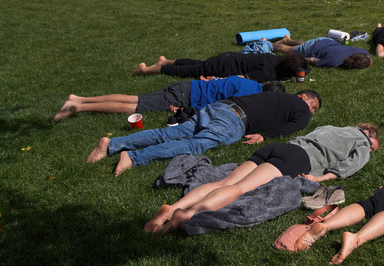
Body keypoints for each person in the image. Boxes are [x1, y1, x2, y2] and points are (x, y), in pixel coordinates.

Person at [143, 124, 380, 234]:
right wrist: (320, 177)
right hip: (299, 158)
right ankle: (187, 214)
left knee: (223, 183)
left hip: (280, 148)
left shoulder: (332, 127)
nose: (370, 150)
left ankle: (172, 207)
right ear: (368, 136)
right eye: (373, 146)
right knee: (239, 188)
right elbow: (350, 165)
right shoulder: (362, 143)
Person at [86, 90, 322, 176]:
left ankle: (112, 144)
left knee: (170, 134)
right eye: (313, 106)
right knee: (194, 145)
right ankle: (133, 157)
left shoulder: (276, 95)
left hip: (220, 107)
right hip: (235, 121)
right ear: (305, 98)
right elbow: (295, 126)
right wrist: (265, 136)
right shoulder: (301, 107)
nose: (311, 112)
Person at [53, 77, 281, 122]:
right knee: (134, 106)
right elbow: (217, 105)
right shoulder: (249, 94)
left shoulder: (248, 81)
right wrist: (187, 109)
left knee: (135, 97)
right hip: (185, 95)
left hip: (188, 85)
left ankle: (81, 99)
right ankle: (77, 107)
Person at [131, 52, 306, 83]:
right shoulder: (267, 73)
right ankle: (145, 70)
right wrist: (217, 80)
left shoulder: (276, 59)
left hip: (228, 57)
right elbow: (241, 78)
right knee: (192, 71)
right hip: (224, 66)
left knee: (199, 64)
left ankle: (165, 61)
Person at [272, 36, 371, 69]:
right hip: (311, 49)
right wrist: (299, 59)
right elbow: (311, 60)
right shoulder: (334, 62)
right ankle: (267, 45)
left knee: (304, 44)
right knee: (288, 50)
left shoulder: (361, 51)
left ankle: (287, 40)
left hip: (326, 41)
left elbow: (369, 59)